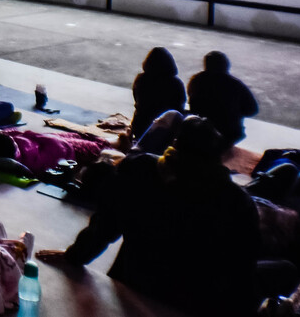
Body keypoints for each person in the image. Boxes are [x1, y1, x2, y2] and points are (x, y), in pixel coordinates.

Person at [37, 115, 261, 317]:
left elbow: (106, 225)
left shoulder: (140, 169)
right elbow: (240, 271)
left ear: (175, 144)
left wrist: (75, 255)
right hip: (193, 302)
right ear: (217, 156)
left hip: (134, 280)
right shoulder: (237, 202)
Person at [187, 50, 258, 149]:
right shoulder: (235, 84)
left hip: (200, 129)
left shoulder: (196, 80)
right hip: (229, 133)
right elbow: (252, 110)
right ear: (226, 65)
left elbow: (192, 102)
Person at [0, 128, 106, 177]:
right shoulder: (31, 161)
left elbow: (7, 132)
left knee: (81, 135)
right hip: (66, 148)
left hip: (51, 139)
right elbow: (57, 151)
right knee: (99, 147)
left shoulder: (1, 147)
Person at [131, 46, 186, 139]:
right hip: (167, 130)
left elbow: (137, 100)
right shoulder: (176, 83)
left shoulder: (141, 79)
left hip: (141, 127)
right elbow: (180, 107)